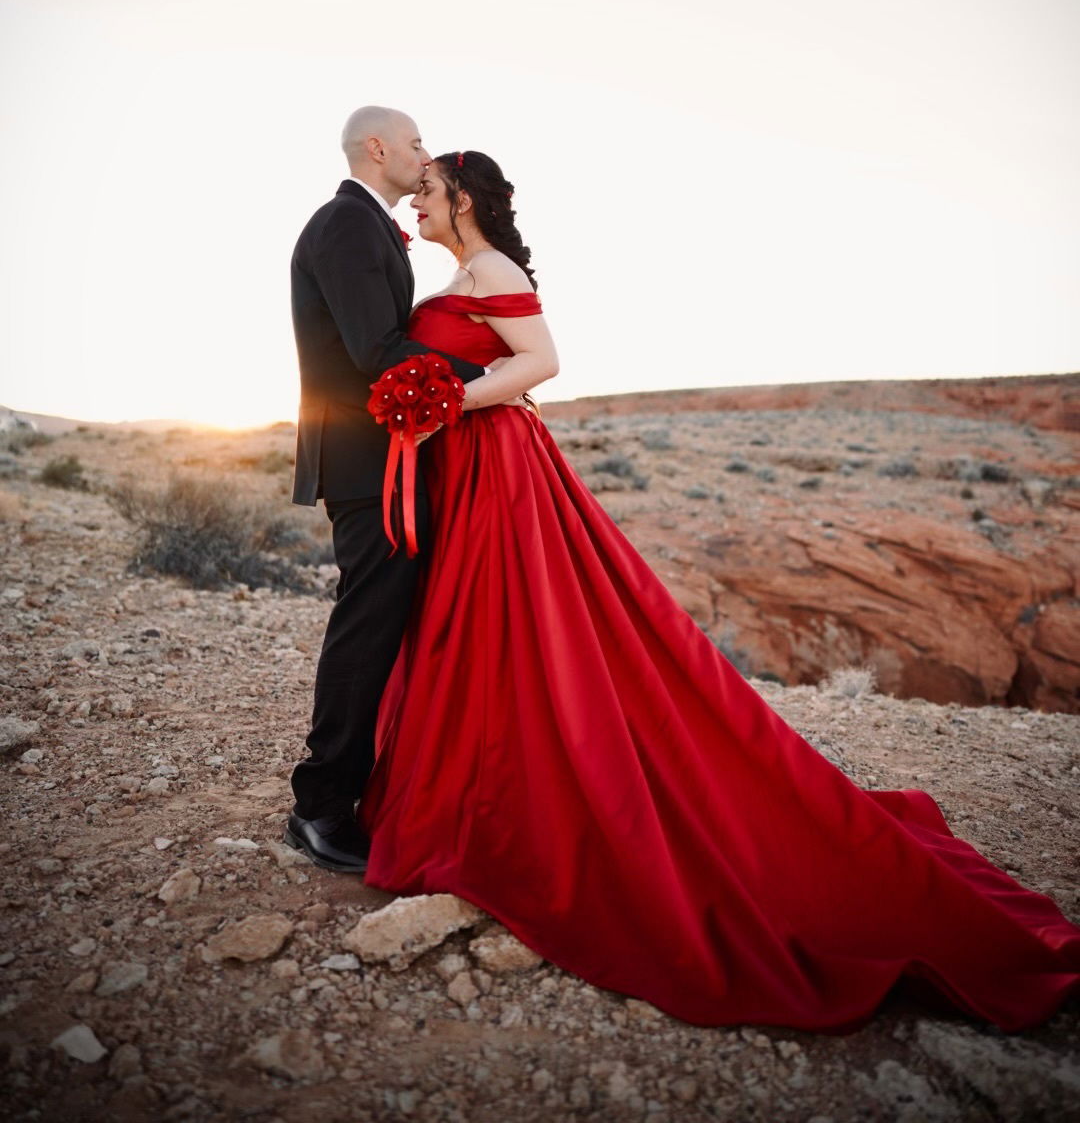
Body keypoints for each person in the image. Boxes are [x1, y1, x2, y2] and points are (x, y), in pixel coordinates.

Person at [358, 148, 1080, 1033]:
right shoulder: (466, 270)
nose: (417, 204)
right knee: (473, 626)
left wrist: (451, 399)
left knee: (517, 622)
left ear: (461, 196)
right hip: (469, 468)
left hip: (498, 467)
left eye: (427, 191)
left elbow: (541, 360)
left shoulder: (494, 268)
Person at [285, 107, 490, 874]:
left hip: (383, 458)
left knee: (383, 620)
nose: (423, 156)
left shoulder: (366, 227)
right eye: (414, 144)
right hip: (367, 464)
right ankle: (319, 808)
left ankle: (361, 786)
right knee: (367, 626)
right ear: (378, 148)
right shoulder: (346, 225)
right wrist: (496, 379)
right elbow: (377, 350)